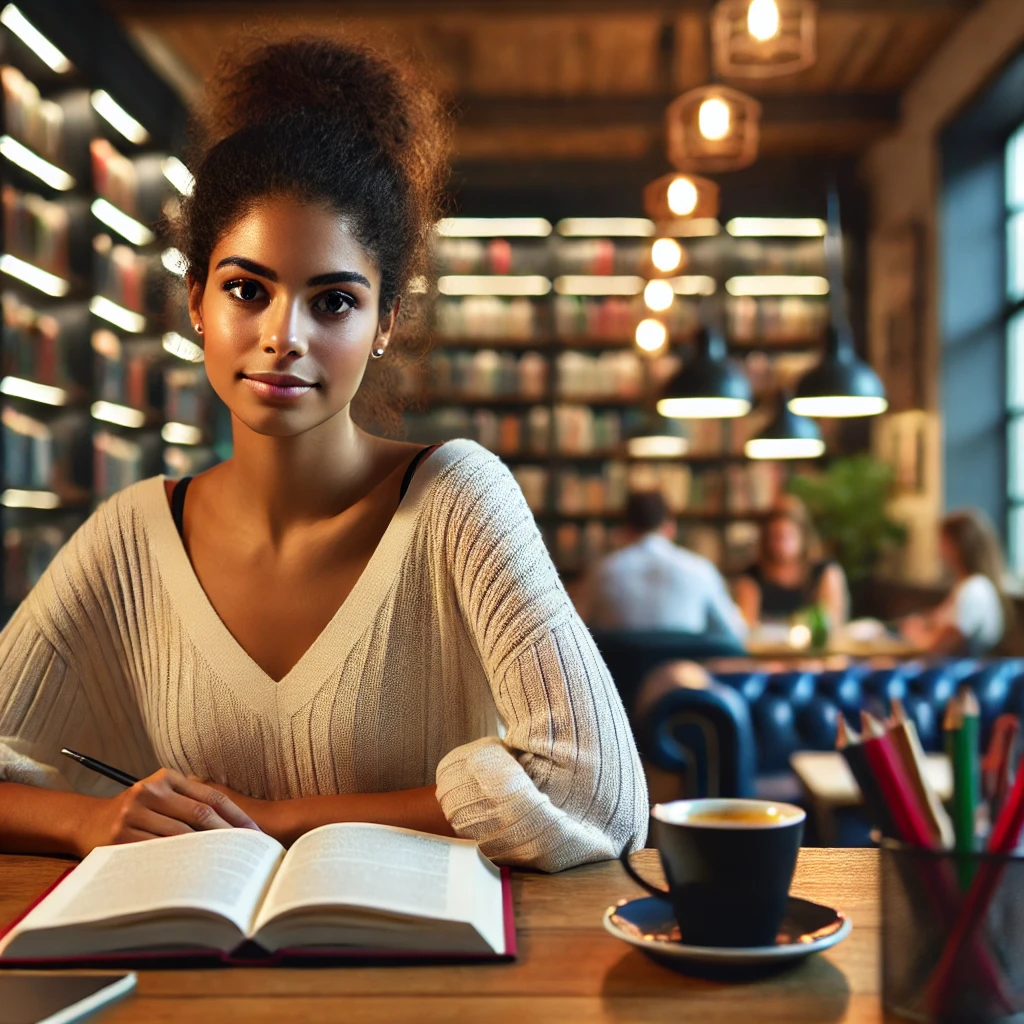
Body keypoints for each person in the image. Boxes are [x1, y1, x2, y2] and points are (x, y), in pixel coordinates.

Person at [0, 36, 648, 872]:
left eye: (333, 301)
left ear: (385, 323)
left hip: (434, 986)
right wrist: (86, 821)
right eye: (247, 289)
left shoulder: (457, 501)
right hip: (193, 987)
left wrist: (277, 819)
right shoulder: (132, 535)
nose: (283, 338)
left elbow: (601, 794)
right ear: (196, 299)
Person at [577, 490, 748, 642]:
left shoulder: (601, 573)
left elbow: (574, 633)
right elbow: (735, 632)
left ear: (626, 529)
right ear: (670, 527)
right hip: (683, 676)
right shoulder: (699, 570)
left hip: (617, 677)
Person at [900, 509, 1012, 655]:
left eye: (943, 541)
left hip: (954, 674)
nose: (938, 548)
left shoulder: (975, 589)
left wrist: (912, 633)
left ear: (957, 546)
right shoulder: (967, 584)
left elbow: (940, 647)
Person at [734, 509, 848, 628]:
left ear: (802, 536)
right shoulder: (752, 576)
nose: (781, 543)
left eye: (788, 536)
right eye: (775, 536)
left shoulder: (825, 571)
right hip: (767, 645)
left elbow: (831, 622)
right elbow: (747, 625)